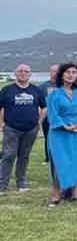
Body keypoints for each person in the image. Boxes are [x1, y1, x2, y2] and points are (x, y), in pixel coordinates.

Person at [46, 63, 77, 206]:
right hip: (60, 132)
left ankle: (75, 193)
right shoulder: (54, 93)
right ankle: (56, 194)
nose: (71, 74)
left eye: (74, 72)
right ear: (62, 74)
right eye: (67, 72)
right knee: (60, 162)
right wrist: (65, 126)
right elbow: (52, 113)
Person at [0, 64, 46, 194]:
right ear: (15, 74)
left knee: (24, 156)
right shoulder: (7, 90)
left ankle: (21, 183)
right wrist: (2, 124)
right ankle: (2, 184)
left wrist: (39, 121)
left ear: (30, 74)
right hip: (11, 129)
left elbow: (44, 107)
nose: (23, 73)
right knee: (8, 155)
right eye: (20, 71)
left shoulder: (36, 90)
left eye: (26, 71)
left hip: (30, 129)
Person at [39, 64, 58, 163]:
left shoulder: (64, 85)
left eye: (57, 71)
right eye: (53, 71)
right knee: (48, 138)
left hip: (61, 117)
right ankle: (48, 158)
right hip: (47, 117)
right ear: (50, 72)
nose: (55, 73)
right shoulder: (43, 86)